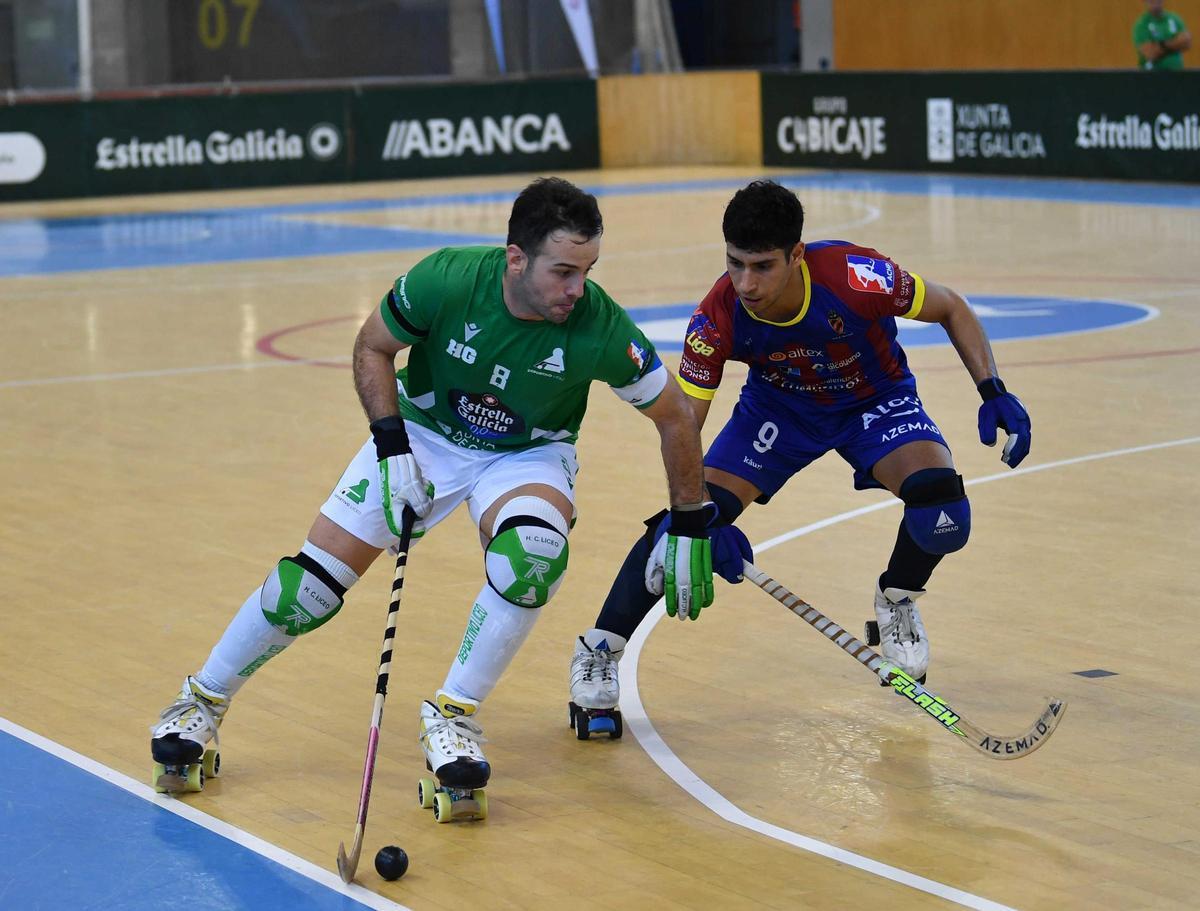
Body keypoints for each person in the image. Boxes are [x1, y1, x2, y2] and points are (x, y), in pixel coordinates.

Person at [149, 177, 721, 806]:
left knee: (531, 560)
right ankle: (201, 699)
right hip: (422, 433)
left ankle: (453, 716)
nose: (576, 289)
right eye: (562, 271)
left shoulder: (599, 324)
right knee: (304, 591)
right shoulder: (446, 280)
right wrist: (391, 444)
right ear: (515, 258)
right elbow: (373, 346)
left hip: (526, 453)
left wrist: (689, 520)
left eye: (586, 271)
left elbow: (674, 417)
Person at [567, 180, 1032, 737]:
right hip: (779, 412)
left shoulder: (857, 275)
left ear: (797, 256)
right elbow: (682, 427)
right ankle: (599, 651)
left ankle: (896, 599)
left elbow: (950, 306)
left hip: (875, 401)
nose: (745, 283)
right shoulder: (717, 316)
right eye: (734, 264)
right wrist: (694, 517)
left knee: (944, 514)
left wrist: (993, 389)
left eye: (762, 266)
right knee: (676, 537)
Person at [1134, 0, 1191, 70]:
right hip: (1151, 75)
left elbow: (1187, 43)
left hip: (1177, 73)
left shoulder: (1175, 19)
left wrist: (1161, 46)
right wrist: (1176, 44)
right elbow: (1150, 53)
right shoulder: (1142, 24)